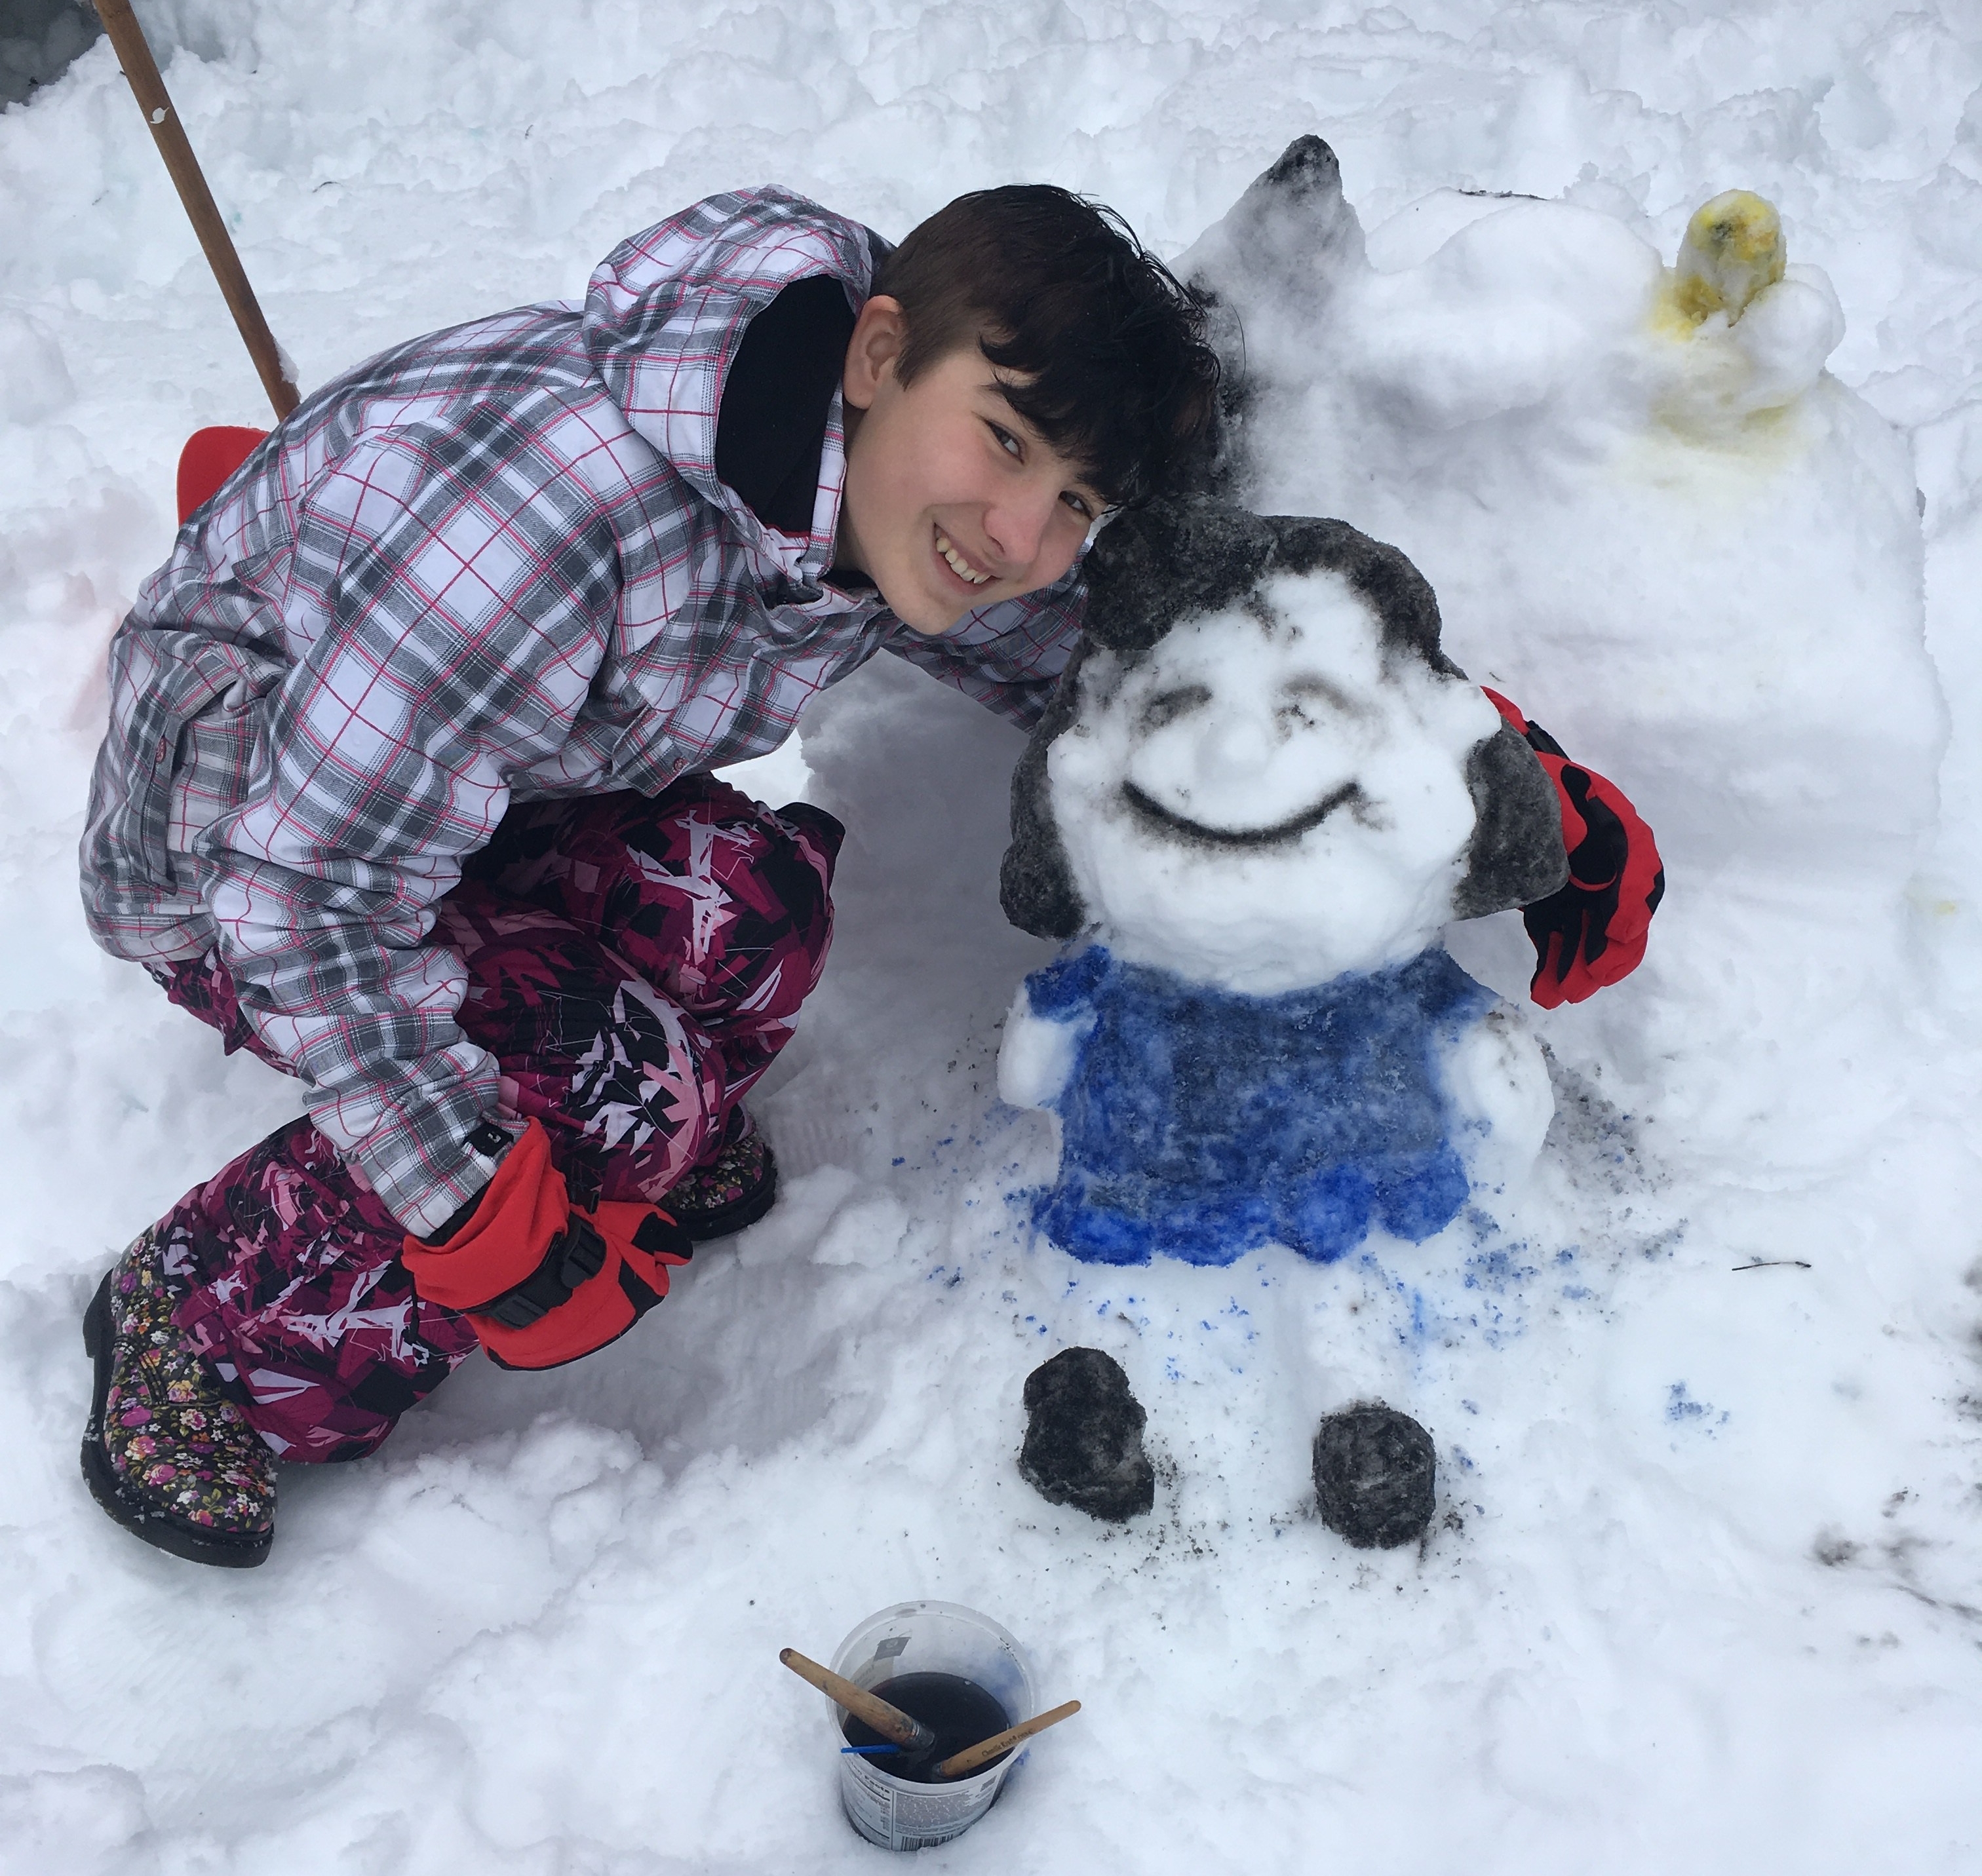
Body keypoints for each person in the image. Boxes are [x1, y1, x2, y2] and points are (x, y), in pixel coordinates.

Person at [75, 182, 1224, 1567]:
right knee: (592, 1087)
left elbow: (1069, 654)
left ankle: (620, 1124)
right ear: (877, 355)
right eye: (1006, 440)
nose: (1024, 538)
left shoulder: (852, 486)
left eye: (1076, 502)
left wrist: (1425, 745)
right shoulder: (548, 517)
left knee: (751, 908)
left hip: (460, 802)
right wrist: (469, 1203)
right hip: (240, 857)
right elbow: (301, 898)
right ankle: (200, 1318)